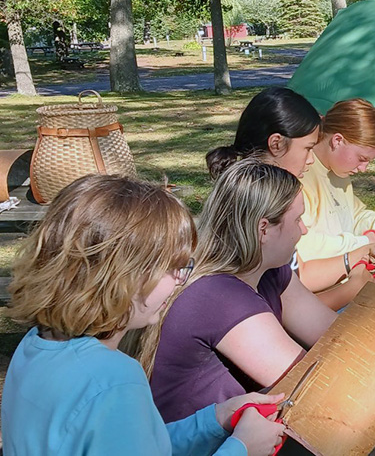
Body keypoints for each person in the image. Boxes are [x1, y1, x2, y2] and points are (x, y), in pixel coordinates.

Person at [1, 175, 285, 456]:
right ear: (124, 274)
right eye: (172, 266)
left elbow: (143, 444)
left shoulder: (34, 345)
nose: (180, 280)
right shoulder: (115, 381)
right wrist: (243, 448)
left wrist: (215, 420)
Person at [138, 159, 339, 423]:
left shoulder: (268, 271)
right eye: (298, 219)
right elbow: (313, 386)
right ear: (263, 229)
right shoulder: (219, 297)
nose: (304, 229)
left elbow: (335, 337)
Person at [207, 89, 375, 310]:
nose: (311, 159)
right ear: (276, 144)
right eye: (308, 148)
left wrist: (367, 244)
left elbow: (295, 301)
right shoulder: (266, 203)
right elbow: (289, 306)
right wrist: (355, 279)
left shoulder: (263, 199)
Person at [296, 98, 375, 262]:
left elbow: (353, 217)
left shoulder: (338, 172)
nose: (363, 168)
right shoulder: (302, 177)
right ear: (337, 141)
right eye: (361, 158)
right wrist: (362, 244)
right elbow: (304, 247)